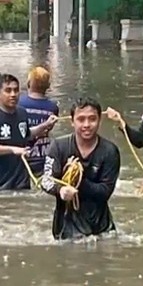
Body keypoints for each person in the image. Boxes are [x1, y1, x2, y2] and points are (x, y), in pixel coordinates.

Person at [40, 98, 121, 240]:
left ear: (99, 121)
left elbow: (105, 192)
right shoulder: (59, 147)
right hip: (65, 225)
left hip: (100, 227)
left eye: (92, 119)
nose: (87, 125)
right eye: (81, 119)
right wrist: (61, 190)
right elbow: (46, 180)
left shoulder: (110, 151)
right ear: (72, 121)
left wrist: (78, 179)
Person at [0, 73, 37, 191]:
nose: (13, 94)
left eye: (16, 90)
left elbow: (26, 134)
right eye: (8, 91)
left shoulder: (22, 113)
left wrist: (45, 126)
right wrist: (13, 149)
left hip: (21, 180)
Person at [18, 66, 60, 178]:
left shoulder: (18, 103)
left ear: (29, 83)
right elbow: (48, 129)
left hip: (23, 155)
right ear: (48, 86)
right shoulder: (53, 107)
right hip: (43, 154)